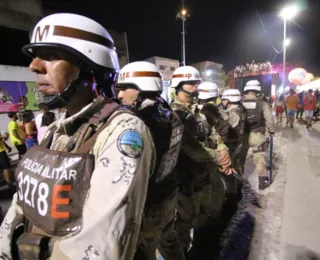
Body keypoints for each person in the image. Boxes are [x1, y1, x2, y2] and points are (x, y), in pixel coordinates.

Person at [0, 13, 155, 260]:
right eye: (36, 57)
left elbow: (100, 245)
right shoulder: (54, 131)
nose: (34, 66)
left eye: (51, 56)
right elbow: (23, 201)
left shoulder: (122, 132)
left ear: (90, 67)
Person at [115, 61, 185, 260]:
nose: (120, 95)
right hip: (168, 196)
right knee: (169, 242)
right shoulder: (169, 114)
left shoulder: (141, 124)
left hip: (150, 206)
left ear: (142, 88)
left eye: (125, 88)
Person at [170, 66, 233, 256]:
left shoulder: (198, 111)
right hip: (185, 179)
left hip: (202, 174)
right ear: (179, 86)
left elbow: (212, 134)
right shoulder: (174, 113)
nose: (196, 87)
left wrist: (223, 149)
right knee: (183, 223)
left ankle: (200, 249)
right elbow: (190, 147)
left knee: (203, 215)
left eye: (196, 83)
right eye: (191, 83)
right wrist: (218, 157)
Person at [240, 80, 275, 190]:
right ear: (257, 90)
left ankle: (237, 182)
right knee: (259, 159)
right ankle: (261, 183)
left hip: (243, 135)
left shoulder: (240, 103)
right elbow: (269, 119)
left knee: (240, 159)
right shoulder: (262, 103)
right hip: (257, 135)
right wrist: (271, 131)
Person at [219, 89, 247, 198]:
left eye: (224, 99)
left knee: (228, 169)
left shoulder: (234, 113)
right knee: (236, 165)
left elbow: (224, 124)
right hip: (237, 142)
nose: (222, 102)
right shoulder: (240, 108)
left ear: (229, 100)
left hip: (231, 144)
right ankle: (238, 187)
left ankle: (232, 193)